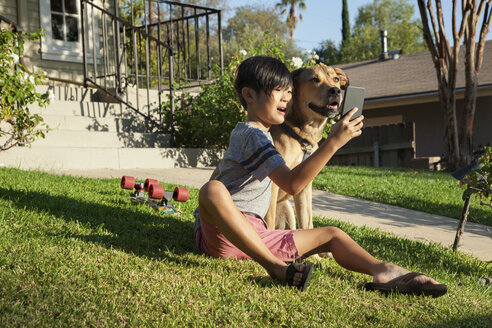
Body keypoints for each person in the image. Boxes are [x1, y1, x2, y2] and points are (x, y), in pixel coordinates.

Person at [194, 56, 447, 296]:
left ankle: (383, 270)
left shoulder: (266, 136)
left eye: (290, 92)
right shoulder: (250, 134)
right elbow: (292, 184)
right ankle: (276, 268)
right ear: (249, 95)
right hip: (223, 237)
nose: (287, 99)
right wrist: (333, 143)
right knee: (212, 190)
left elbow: (296, 183)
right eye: (278, 91)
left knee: (333, 234)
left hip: (259, 238)